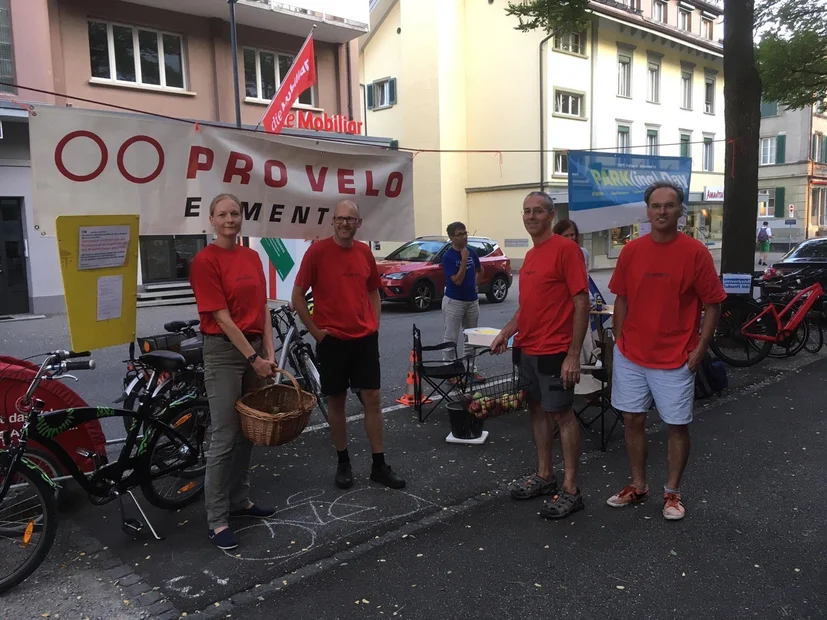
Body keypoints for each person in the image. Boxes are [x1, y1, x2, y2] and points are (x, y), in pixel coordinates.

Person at [606, 181, 726, 521]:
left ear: (679, 211)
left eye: (669, 206)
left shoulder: (695, 252)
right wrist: (619, 341)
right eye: (656, 206)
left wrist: (700, 348)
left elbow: (714, 304)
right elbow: (622, 297)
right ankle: (639, 485)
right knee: (632, 419)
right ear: (647, 210)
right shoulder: (631, 251)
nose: (662, 211)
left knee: (676, 425)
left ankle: (672, 493)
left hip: (676, 356)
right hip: (632, 354)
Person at [292, 200, 405, 491]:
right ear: (333, 222)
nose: (345, 223)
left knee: (373, 399)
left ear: (358, 223)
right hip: (333, 341)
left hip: (364, 339)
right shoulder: (317, 252)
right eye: (340, 219)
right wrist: (317, 333)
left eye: (350, 219)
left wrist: (374, 325)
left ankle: (379, 465)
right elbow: (297, 296)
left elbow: (374, 292)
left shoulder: (364, 252)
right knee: (337, 402)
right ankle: (343, 463)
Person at [490, 191, 590, 519]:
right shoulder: (532, 256)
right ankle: (545, 475)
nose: (531, 216)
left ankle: (571, 489)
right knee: (536, 410)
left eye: (537, 211)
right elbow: (527, 307)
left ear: (550, 215)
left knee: (562, 415)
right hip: (528, 348)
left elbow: (580, 301)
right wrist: (506, 333)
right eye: (526, 211)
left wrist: (573, 354)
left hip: (554, 350)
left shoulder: (567, 250)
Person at [189, 193, 277, 551]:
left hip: (254, 348)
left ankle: (240, 501)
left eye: (235, 213)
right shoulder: (205, 260)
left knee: (247, 432)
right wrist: (253, 358)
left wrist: (268, 350)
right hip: (225, 352)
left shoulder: (252, 256)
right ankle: (217, 518)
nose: (229, 219)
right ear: (211, 219)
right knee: (225, 435)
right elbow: (221, 317)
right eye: (222, 214)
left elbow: (263, 307)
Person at [440, 221, 485, 380]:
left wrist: (476, 285)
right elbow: (457, 281)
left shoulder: (471, 252)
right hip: (454, 301)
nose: (464, 237)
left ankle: (470, 369)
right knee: (451, 337)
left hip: (472, 300)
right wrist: (464, 260)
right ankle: (450, 371)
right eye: (460, 234)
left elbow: (480, 270)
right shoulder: (448, 257)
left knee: (472, 336)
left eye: (465, 233)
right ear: (452, 237)